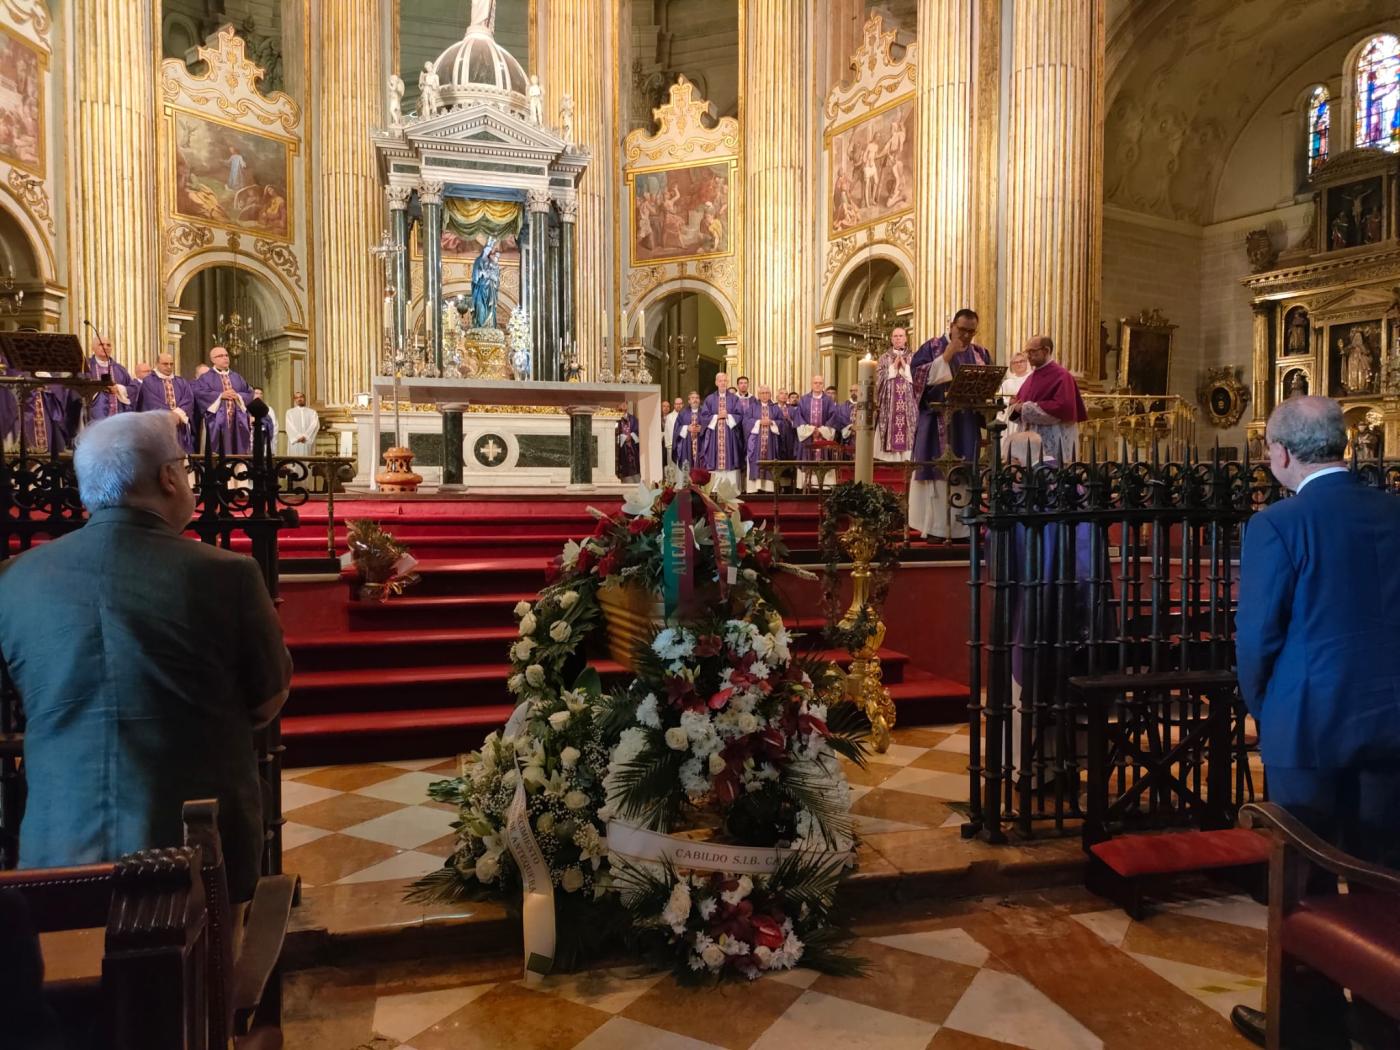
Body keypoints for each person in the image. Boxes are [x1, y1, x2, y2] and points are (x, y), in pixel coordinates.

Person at [0, 411, 291, 903]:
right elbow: (268, 699)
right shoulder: (227, 573)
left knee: (72, 952)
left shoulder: (14, 578)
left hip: (59, 842)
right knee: (208, 952)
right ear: (168, 478)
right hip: (196, 849)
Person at [1231, 395, 1400, 1049]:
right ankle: (1381, 1017)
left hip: (1309, 725)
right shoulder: (1393, 510)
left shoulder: (1278, 524)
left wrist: (1267, 708)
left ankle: (1309, 1024)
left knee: (1302, 880)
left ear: (1280, 453)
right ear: (1343, 446)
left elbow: (1257, 639)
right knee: (1383, 869)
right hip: (1392, 723)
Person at [910, 309, 991, 540]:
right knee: (937, 473)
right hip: (936, 422)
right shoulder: (932, 347)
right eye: (962, 329)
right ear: (952, 325)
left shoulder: (980, 353)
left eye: (971, 332)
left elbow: (988, 385)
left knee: (964, 472)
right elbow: (917, 380)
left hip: (966, 422)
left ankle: (963, 529)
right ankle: (937, 529)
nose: (965, 335)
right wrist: (946, 357)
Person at [1007, 335, 1086, 465]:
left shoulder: (1062, 376)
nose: (1028, 356)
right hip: (1030, 442)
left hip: (1051, 439)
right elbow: (1018, 405)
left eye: (1032, 351)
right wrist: (1015, 407)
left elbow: (1061, 408)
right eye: (1027, 352)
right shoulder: (1031, 377)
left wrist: (1024, 408)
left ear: (1046, 351)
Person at [193, 345, 254, 454]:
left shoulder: (237, 377)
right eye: (220, 356)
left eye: (226, 355)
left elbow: (249, 392)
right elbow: (199, 393)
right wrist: (220, 395)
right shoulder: (206, 378)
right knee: (218, 450)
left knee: (238, 450)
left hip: (237, 421)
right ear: (213, 360)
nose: (225, 358)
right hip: (216, 420)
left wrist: (238, 396)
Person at [136, 351, 196, 452]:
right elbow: (151, 401)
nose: (169, 367)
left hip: (179, 423)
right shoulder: (148, 381)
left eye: (171, 364)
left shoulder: (181, 381)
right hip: (159, 424)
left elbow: (188, 399)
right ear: (157, 364)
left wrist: (178, 414)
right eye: (165, 364)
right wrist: (171, 415)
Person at [876, 324, 917, 462]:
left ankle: (907, 459)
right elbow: (878, 379)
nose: (898, 338)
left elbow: (919, 378)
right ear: (891, 339)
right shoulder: (884, 358)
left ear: (906, 339)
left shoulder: (914, 357)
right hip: (890, 404)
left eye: (901, 336)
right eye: (895, 336)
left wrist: (905, 367)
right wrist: (893, 367)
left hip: (908, 404)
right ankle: (891, 462)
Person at [743, 384, 790, 493]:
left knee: (770, 461)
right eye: (762, 393)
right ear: (758, 395)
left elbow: (782, 423)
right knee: (755, 461)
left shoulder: (775, 408)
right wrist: (758, 422)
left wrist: (772, 422)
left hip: (771, 442)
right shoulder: (752, 407)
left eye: (767, 393)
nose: (765, 395)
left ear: (770, 395)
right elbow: (745, 422)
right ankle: (754, 488)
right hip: (756, 442)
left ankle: (769, 488)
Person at [701, 372, 745, 489]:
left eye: (725, 380)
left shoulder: (734, 399)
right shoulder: (710, 399)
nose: (723, 383)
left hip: (729, 435)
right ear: (716, 383)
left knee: (730, 457)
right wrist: (717, 416)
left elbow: (739, 415)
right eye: (720, 381)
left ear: (728, 382)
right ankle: (714, 488)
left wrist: (728, 416)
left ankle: (731, 488)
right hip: (714, 435)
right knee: (714, 458)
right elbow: (704, 416)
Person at [87, 337, 136, 422]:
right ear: (93, 348)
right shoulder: (86, 367)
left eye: (108, 345)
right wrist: (98, 388)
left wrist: (118, 389)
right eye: (101, 344)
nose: (105, 347)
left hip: (118, 417)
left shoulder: (119, 369)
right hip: (94, 418)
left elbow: (133, 388)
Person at [996, 349, 1032, 452]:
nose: (1019, 364)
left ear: (1026, 363)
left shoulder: (1031, 379)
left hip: (1024, 415)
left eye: (1021, 361)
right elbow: (1000, 400)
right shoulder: (1007, 382)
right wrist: (1009, 402)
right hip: (1010, 417)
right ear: (1012, 365)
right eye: (1015, 362)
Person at [672, 390, 704, 472]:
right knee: (687, 470)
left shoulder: (704, 412)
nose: (695, 400)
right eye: (692, 398)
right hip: (687, 445)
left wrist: (702, 428)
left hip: (701, 444)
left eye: (697, 398)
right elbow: (676, 429)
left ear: (699, 400)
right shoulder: (682, 413)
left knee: (701, 469)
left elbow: (710, 426)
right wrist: (686, 428)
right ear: (689, 401)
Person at [284, 391, 320, 456]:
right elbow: (289, 426)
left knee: (307, 459)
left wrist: (305, 436)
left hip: (307, 441)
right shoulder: (290, 412)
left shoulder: (312, 412)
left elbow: (314, 425)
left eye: (301, 397)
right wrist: (298, 437)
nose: (299, 399)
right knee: (294, 459)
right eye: (297, 398)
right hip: (295, 442)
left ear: (304, 398)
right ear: (295, 400)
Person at [615, 409, 641, 484]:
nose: (623, 406)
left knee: (635, 467)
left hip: (633, 446)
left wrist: (631, 436)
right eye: (621, 404)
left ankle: (637, 483)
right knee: (625, 467)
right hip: (622, 447)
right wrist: (623, 438)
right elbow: (614, 432)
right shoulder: (616, 418)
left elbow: (637, 430)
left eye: (625, 404)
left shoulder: (633, 419)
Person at [252, 387, 278, 452]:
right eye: (256, 393)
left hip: (265, 441)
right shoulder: (247, 408)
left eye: (261, 394)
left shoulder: (269, 409)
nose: (259, 395)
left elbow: (274, 425)